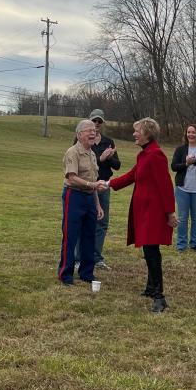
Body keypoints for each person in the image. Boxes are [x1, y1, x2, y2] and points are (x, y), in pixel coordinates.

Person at [109, 118, 177, 313]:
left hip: (153, 212)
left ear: (147, 133)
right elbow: (132, 175)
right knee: (148, 250)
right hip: (143, 210)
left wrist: (170, 212)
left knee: (151, 251)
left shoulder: (156, 155)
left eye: (137, 131)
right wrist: (108, 184)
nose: (134, 134)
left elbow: (165, 186)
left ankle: (160, 297)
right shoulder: (144, 155)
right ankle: (150, 288)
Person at [59, 120, 105, 285]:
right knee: (70, 235)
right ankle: (66, 274)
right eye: (89, 130)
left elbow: (94, 180)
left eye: (94, 130)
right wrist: (92, 185)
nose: (93, 133)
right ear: (79, 134)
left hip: (89, 198)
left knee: (89, 236)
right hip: (74, 196)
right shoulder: (73, 152)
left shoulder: (92, 154)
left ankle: (86, 273)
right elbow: (72, 178)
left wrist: (98, 205)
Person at [80, 109, 120, 270]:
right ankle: (78, 258)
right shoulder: (82, 139)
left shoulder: (108, 141)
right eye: (94, 121)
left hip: (103, 185)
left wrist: (110, 158)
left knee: (101, 222)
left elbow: (117, 166)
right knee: (83, 220)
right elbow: (80, 161)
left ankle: (96, 257)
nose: (96, 125)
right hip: (85, 184)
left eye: (99, 122)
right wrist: (101, 158)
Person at [171, 124, 196, 251]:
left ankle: (195, 244)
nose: (191, 135)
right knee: (182, 218)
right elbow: (174, 167)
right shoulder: (180, 150)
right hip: (183, 188)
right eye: (189, 132)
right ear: (186, 134)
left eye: (193, 132)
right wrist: (186, 163)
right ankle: (181, 245)